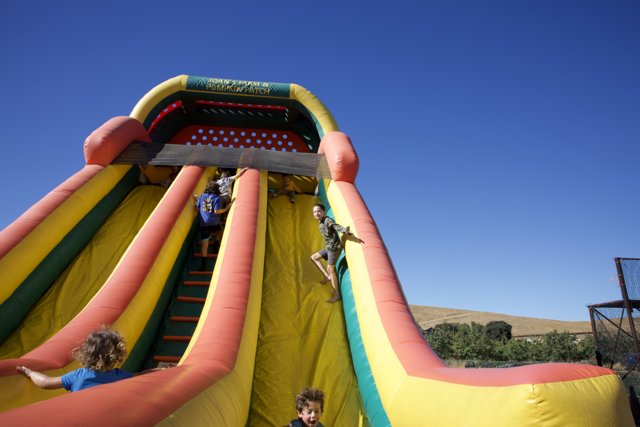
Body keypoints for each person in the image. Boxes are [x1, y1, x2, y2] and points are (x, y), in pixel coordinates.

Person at [17, 328, 134, 392]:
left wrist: (29, 372)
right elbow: (143, 376)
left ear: (87, 353)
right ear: (116, 356)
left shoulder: (78, 375)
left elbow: (45, 383)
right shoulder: (121, 376)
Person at [310, 203, 358, 303]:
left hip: (334, 248)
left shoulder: (327, 220)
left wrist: (345, 231)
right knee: (314, 257)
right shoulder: (320, 222)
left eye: (319, 211)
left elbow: (335, 226)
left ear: (323, 212)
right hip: (328, 248)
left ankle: (337, 294)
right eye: (314, 212)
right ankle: (327, 277)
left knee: (330, 269)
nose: (316, 213)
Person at [193, 182, 233, 270]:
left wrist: (197, 199)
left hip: (204, 224)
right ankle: (216, 242)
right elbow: (216, 211)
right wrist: (226, 208)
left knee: (204, 246)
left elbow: (197, 207)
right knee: (220, 231)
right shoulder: (217, 198)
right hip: (214, 222)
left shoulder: (203, 196)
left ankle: (203, 265)